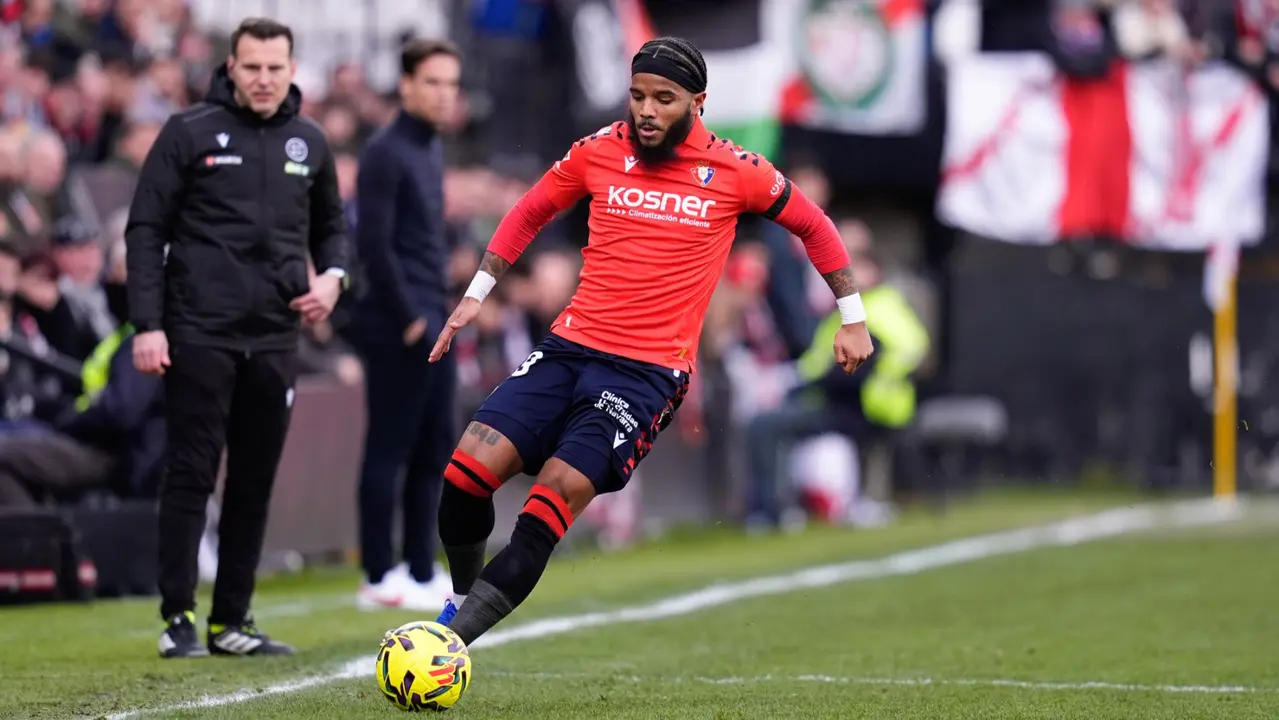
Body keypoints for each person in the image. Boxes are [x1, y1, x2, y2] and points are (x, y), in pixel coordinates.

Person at [426, 37, 875, 645]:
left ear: (698, 102)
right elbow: (531, 210)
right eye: (637, 95)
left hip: (644, 375)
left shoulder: (738, 170)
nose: (646, 110)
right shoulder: (599, 150)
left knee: (552, 496)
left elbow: (813, 225)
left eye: (664, 98)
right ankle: (458, 602)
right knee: (464, 475)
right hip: (566, 350)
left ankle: (448, 645)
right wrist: (479, 291)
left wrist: (852, 318)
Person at [125, 17, 348, 659]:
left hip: (275, 337)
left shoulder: (310, 141)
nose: (264, 79)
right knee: (191, 472)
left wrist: (333, 279)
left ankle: (232, 622)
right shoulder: (188, 131)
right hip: (199, 331)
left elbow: (333, 228)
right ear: (231, 67)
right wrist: (148, 325)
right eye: (252, 67)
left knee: (253, 481)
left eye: (275, 68)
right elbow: (145, 229)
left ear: (292, 70)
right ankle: (177, 618)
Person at [349, 39, 462, 611]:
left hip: (436, 319)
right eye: (433, 82)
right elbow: (373, 244)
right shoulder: (384, 152)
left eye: (451, 84)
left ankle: (419, 567)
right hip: (400, 326)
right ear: (407, 85)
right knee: (389, 448)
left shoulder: (430, 148)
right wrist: (411, 319)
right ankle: (377, 573)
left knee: (433, 448)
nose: (444, 94)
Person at [743, 221, 930, 529]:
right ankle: (777, 509)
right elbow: (817, 364)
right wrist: (786, 382)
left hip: (872, 406)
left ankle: (776, 511)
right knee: (769, 420)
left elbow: (909, 352)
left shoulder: (883, 306)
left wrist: (874, 375)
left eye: (859, 268)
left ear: (875, 271)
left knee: (768, 424)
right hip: (837, 402)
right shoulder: (841, 312)